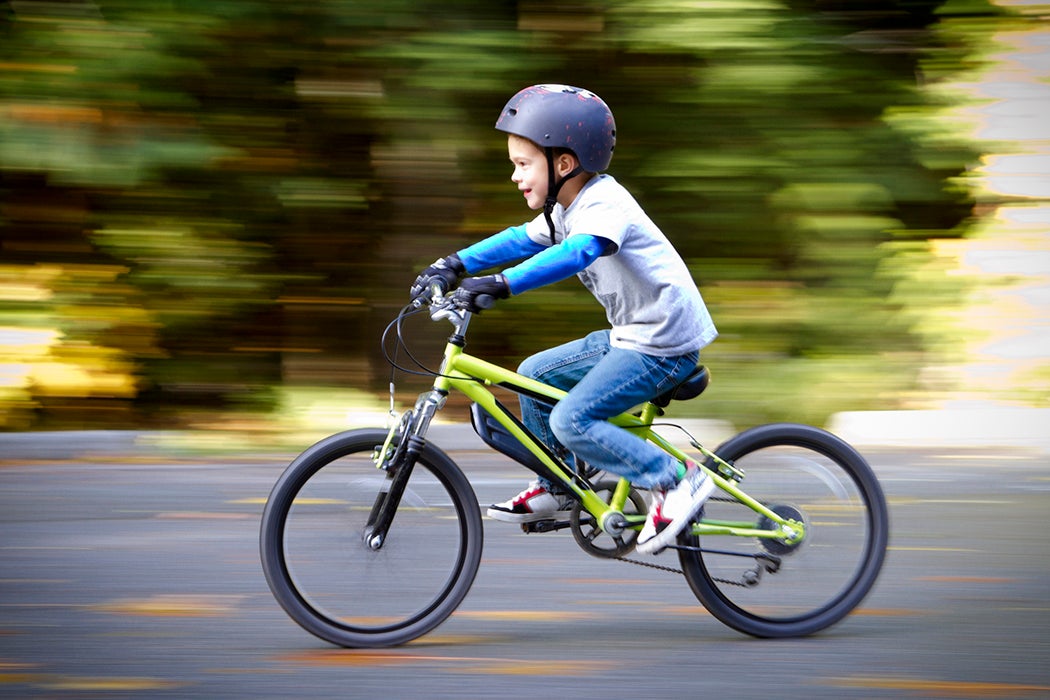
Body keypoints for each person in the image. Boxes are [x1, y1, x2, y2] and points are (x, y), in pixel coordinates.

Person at [410, 84, 718, 554]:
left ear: (564, 164)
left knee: (572, 420)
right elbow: (518, 240)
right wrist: (452, 265)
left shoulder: (603, 206)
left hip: (662, 345)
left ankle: (677, 480)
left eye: (522, 164)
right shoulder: (565, 209)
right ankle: (558, 485)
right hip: (631, 335)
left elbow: (580, 253)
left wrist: (503, 284)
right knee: (534, 376)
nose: (514, 176)